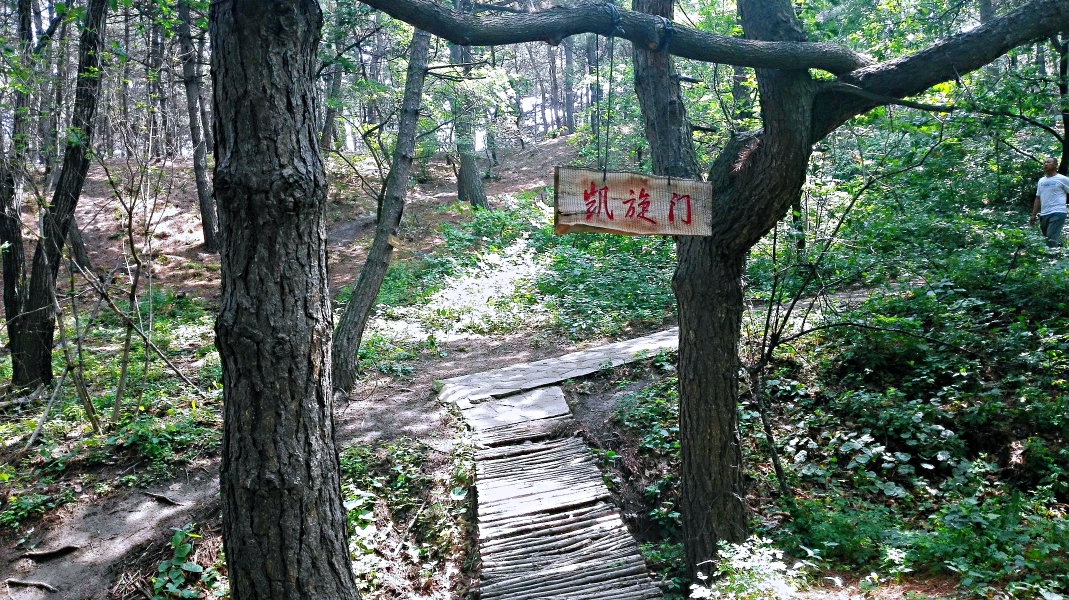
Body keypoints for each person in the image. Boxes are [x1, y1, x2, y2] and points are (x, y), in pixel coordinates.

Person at [1031, 157, 1069, 248]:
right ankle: (1061, 251)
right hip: (1044, 213)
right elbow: (1038, 198)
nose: (1045, 164)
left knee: (1050, 237)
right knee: (1049, 237)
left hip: (1058, 212)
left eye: (1048, 162)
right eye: (1044, 162)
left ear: (1055, 165)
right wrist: (1033, 214)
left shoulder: (1063, 179)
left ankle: (1052, 259)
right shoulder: (1041, 181)